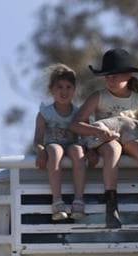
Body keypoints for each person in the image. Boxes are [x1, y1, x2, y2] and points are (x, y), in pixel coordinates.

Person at [72, 48, 138, 228]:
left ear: (127, 76)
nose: (110, 80)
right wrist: (96, 132)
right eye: (107, 76)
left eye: (114, 76)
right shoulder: (98, 97)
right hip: (107, 139)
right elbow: (76, 124)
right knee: (113, 149)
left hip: (130, 139)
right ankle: (111, 207)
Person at [32, 64, 90, 222]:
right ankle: (57, 201)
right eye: (59, 87)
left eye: (68, 87)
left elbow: (86, 137)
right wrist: (41, 152)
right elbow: (37, 140)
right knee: (55, 150)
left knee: (78, 150)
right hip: (52, 145)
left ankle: (78, 200)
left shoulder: (79, 113)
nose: (64, 91)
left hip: (72, 146)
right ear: (51, 90)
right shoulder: (45, 114)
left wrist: (91, 151)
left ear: (74, 89)